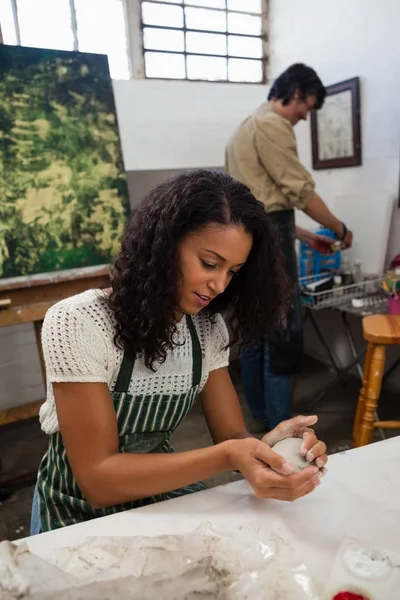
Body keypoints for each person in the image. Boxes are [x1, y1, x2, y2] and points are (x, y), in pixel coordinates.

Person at [31, 170, 327, 534]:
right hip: (74, 514)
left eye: (233, 271)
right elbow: (99, 481)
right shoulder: (79, 322)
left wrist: (276, 449)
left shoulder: (206, 329)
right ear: (164, 245)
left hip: (162, 498)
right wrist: (227, 457)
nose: (219, 285)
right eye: (209, 263)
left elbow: (231, 437)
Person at [225, 63, 353, 432]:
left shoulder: (245, 127)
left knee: (255, 336)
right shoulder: (272, 125)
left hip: (252, 241)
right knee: (281, 338)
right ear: (295, 93)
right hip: (272, 250)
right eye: (307, 106)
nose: (305, 116)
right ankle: (282, 431)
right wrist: (338, 227)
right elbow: (299, 190)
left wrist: (305, 236)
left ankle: (261, 419)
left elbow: (260, 206)